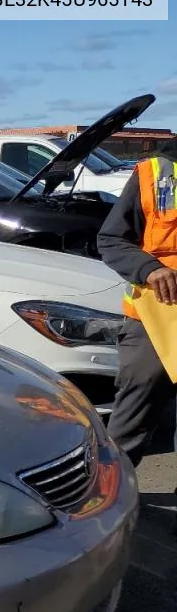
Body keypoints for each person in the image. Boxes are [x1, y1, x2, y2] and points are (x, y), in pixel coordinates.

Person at [98, 140, 177, 468]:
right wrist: (150, 269)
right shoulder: (155, 172)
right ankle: (108, 500)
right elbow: (111, 239)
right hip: (156, 320)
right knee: (132, 417)